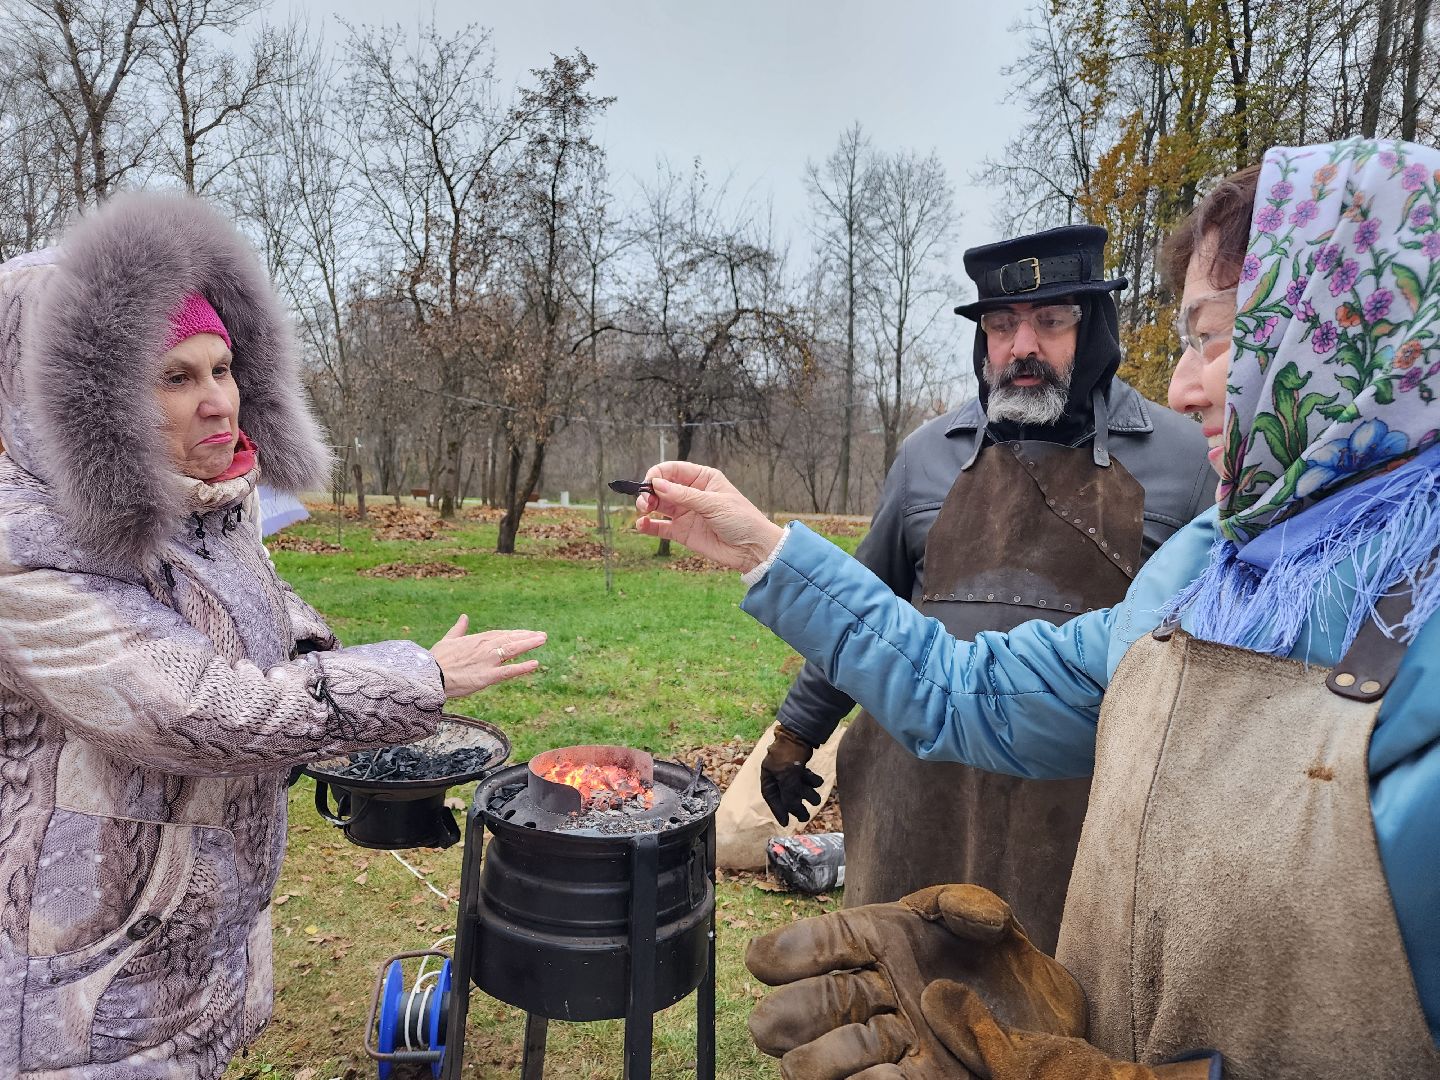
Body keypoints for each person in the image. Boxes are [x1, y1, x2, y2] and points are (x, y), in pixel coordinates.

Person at [635, 138, 1440, 1078]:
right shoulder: (1213, 563)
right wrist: (766, 557)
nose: (1187, 383)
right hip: (926, 811)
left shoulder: (1184, 470)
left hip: (1062, 835)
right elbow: (962, 686)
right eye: (1001, 326)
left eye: (1218, 336)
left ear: (1346, 334)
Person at [0, 192, 546, 1079]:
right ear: (84, 406)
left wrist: (347, 692)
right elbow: (194, 709)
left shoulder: (211, 513)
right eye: (175, 377)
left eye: (223, 367)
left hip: (188, 939)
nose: (218, 402)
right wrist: (416, 680)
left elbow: (270, 630)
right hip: (81, 976)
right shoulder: (27, 559)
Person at [763, 225, 1212, 947]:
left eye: (1050, 322)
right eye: (1002, 326)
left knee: (1050, 1023)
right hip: (914, 796)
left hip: (1078, 816)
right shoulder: (925, 456)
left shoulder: (1186, 461)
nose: (1021, 347)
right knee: (899, 1002)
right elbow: (858, 606)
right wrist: (796, 731)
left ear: (1093, 328)